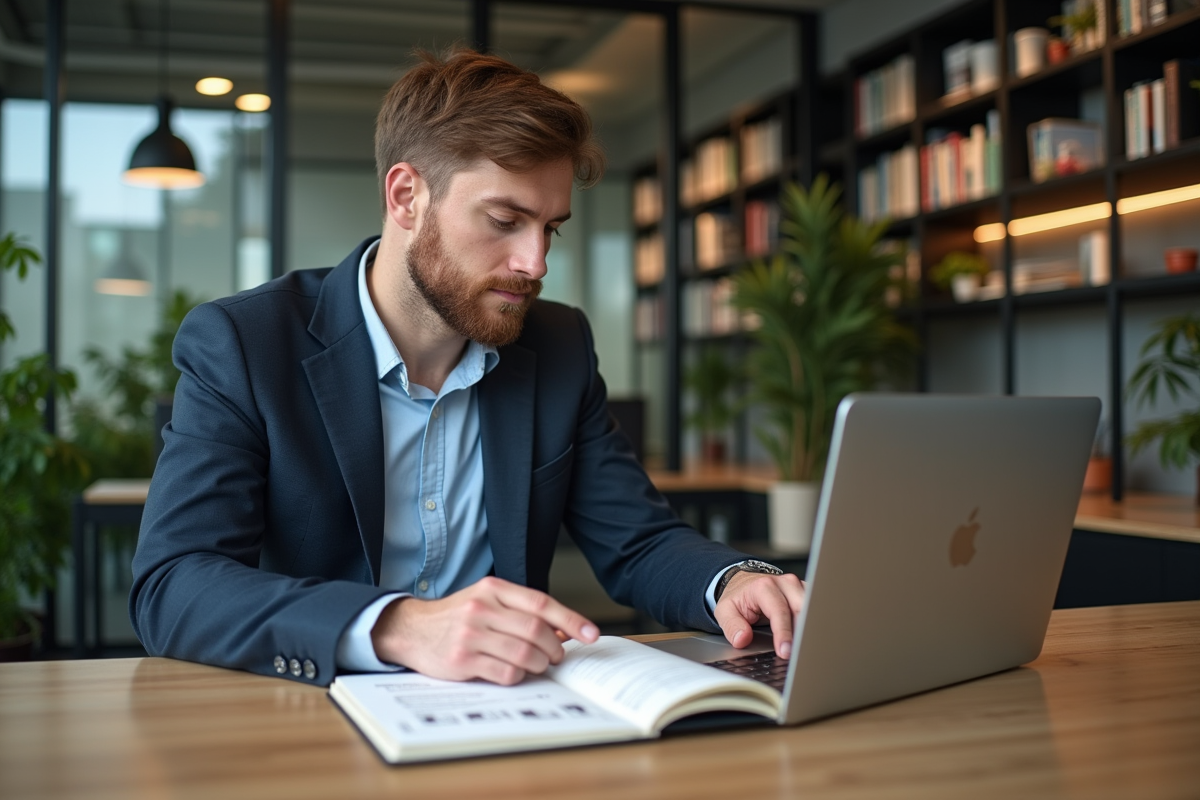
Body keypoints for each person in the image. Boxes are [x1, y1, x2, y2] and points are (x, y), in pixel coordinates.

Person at [129, 49, 805, 688]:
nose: (535, 263)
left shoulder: (560, 344)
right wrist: (397, 627)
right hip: (314, 719)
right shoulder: (246, 343)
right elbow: (174, 583)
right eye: (505, 220)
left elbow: (638, 542)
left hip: (511, 711)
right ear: (405, 197)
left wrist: (737, 582)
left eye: (551, 228)